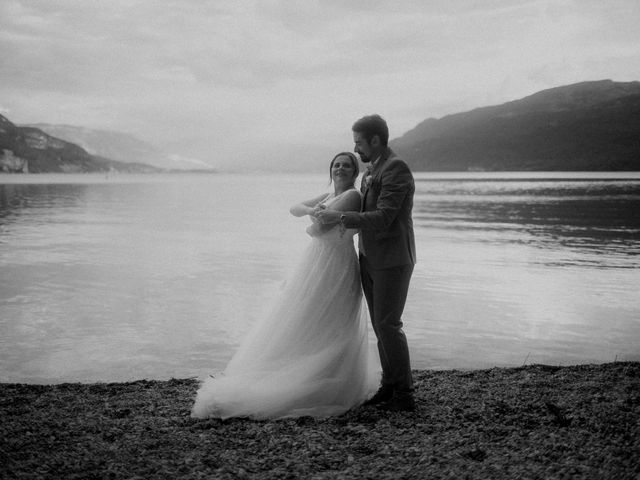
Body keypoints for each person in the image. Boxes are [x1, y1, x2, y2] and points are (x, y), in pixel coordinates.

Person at [191, 152, 378, 420]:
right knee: (305, 316)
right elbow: (296, 209)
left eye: (346, 166)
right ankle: (298, 369)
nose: (340, 169)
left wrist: (313, 219)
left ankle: (328, 377)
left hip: (335, 262)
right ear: (330, 169)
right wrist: (311, 212)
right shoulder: (329, 195)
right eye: (336, 165)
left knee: (329, 317)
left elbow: (321, 227)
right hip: (318, 260)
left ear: (354, 172)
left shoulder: (352, 195)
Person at [316, 114, 416, 412]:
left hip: (393, 259)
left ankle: (405, 394)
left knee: (389, 323)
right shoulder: (374, 168)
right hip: (370, 256)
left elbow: (385, 217)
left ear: (375, 140)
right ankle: (389, 385)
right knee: (379, 323)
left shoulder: (395, 168)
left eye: (359, 142)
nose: (356, 148)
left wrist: (341, 217)